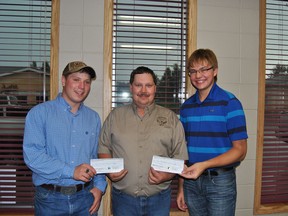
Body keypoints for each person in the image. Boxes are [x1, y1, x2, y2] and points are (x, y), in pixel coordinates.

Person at [98, 66, 188, 216]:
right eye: (138, 85)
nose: (143, 90)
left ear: (155, 88)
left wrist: (167, 175)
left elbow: (181, 155)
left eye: (148, 85)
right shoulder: (115, 116)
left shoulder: (170, 118)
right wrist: (110, 171)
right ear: (131, 87)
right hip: (123, 201)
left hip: (159, 199)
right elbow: (104, 147)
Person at [23, 61, 107, 216]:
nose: (81, 86)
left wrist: (99, 187)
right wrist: (71, 171)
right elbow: (33, 156)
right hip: (50, 200)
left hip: (85, 199)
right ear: (63, 80)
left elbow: (96, 155)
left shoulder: (93, 118)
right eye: (76, 80)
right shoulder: (39, 113)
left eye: (86, 82)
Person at [177, 48, 248, 216]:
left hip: (220, 182)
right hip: (191, 183)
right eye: (193, 71)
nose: (198, 75)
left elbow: (240, 151)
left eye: (204, 69)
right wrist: (181, 187)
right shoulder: (186, 107)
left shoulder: (230, 103)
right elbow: (183, 150)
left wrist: (205, 165)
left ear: (215, 71)